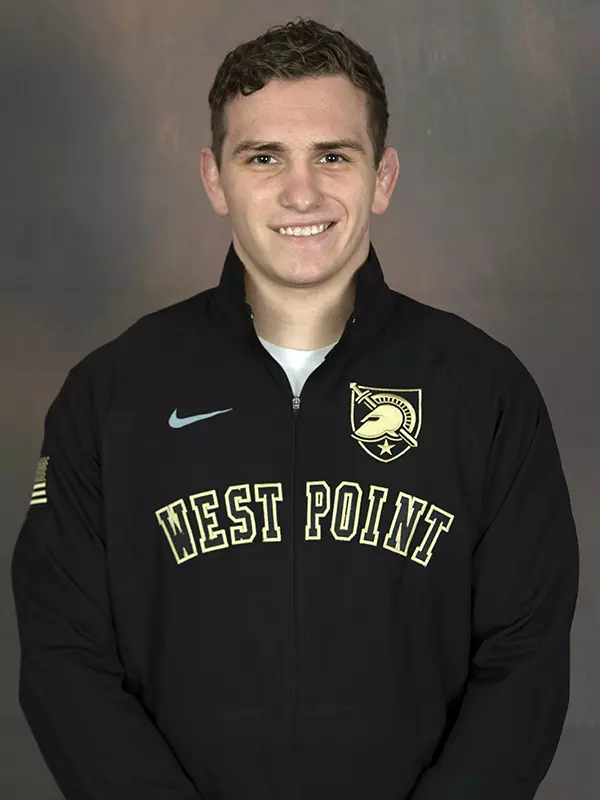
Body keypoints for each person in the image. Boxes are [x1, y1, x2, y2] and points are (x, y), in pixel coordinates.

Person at [12, 17, 579, 800]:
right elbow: (63, 657)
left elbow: (526, 661)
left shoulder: (486, 393)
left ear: (383, 177)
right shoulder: (110, 395)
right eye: (264, 156)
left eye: (334, 156)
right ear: (216, 179)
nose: (301, 191)